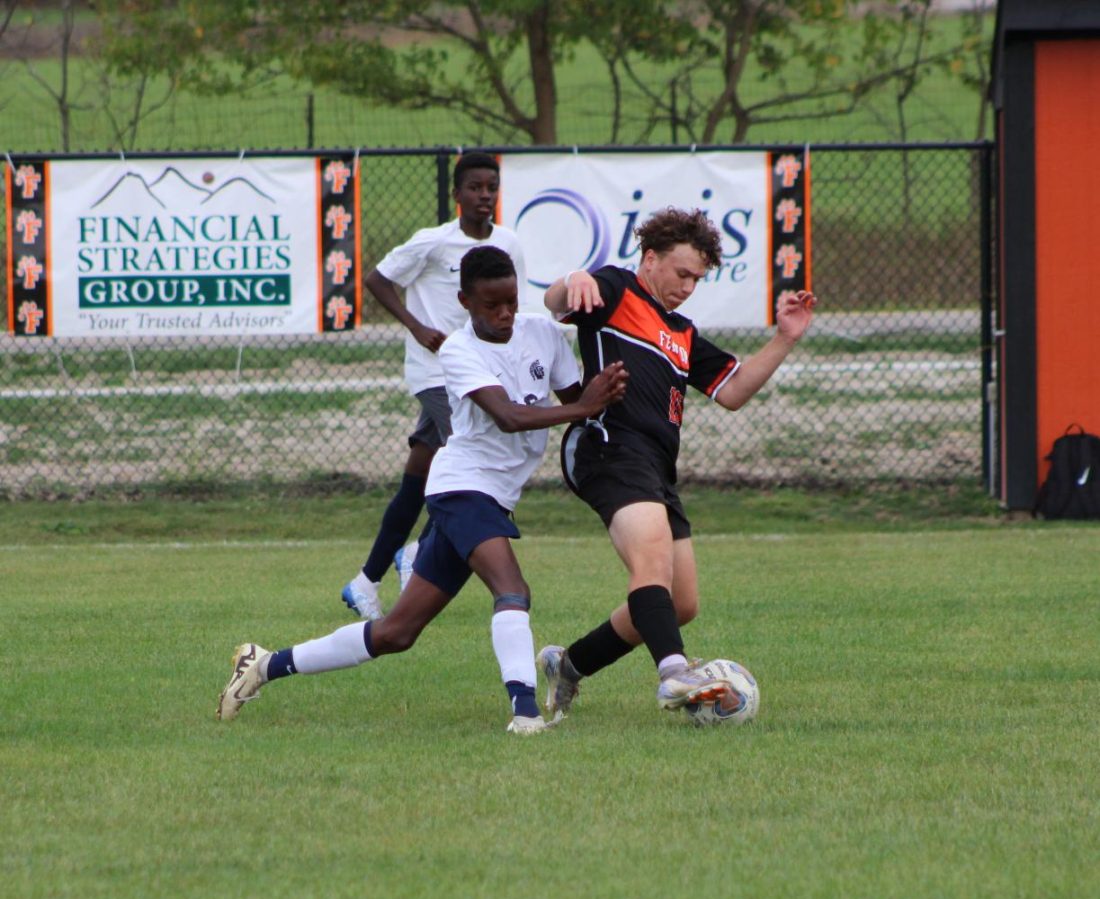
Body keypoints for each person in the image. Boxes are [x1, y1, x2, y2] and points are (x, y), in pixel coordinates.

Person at [218, 247, 628, 735]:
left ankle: (263, 665)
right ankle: (525, 713)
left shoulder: (543, 334)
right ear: (464, 301)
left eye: (512, 302)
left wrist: (602, 412)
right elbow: (511, 416)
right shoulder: (458, 349)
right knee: (512, 590)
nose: (504, 315)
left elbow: (577, 401)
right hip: (461, 490)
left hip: (494, 498)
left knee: (396, 633)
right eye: (490, 306)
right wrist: (582, 408)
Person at [534, 206, 816, 718]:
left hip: (656, 467)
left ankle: (569, 665)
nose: (688, 286)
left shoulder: (682, 333)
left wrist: (784, 338)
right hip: (607, 445)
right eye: (681, 273)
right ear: (650, 259)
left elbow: (732, 392)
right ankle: (673, 674)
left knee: (680, 603)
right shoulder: (616, 290)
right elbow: (557, 302)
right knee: (652, 567)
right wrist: (570, 280)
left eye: (697, 278)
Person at [341, 151, 528, 620]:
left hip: (477, 377)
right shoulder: (433, 242)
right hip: (437, 375)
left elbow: (511, 310)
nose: (484, 196)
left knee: (415, 485)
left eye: (491, 187)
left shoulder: (508, 244)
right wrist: (415, 325)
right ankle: (420, 553)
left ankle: (365, 580)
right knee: (467, 467)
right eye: (475, 188)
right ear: (457, 194)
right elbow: (376, 280)